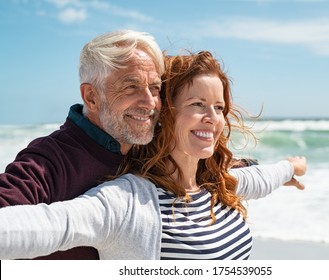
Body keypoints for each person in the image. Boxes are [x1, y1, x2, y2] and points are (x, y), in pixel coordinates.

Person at [0, 51, 307, 260]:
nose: (212, 117)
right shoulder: (126, 202)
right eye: (198, 104)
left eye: (219, 107)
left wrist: (290, 168)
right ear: (165, 114)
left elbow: (259, 178)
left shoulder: (218, 184)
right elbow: (50, 224)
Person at [0, 29, 165, 259]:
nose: (150, 102)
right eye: (131, 86)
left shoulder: (153, 152)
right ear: (91, 97)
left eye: (155, 88)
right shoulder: (48, 160)